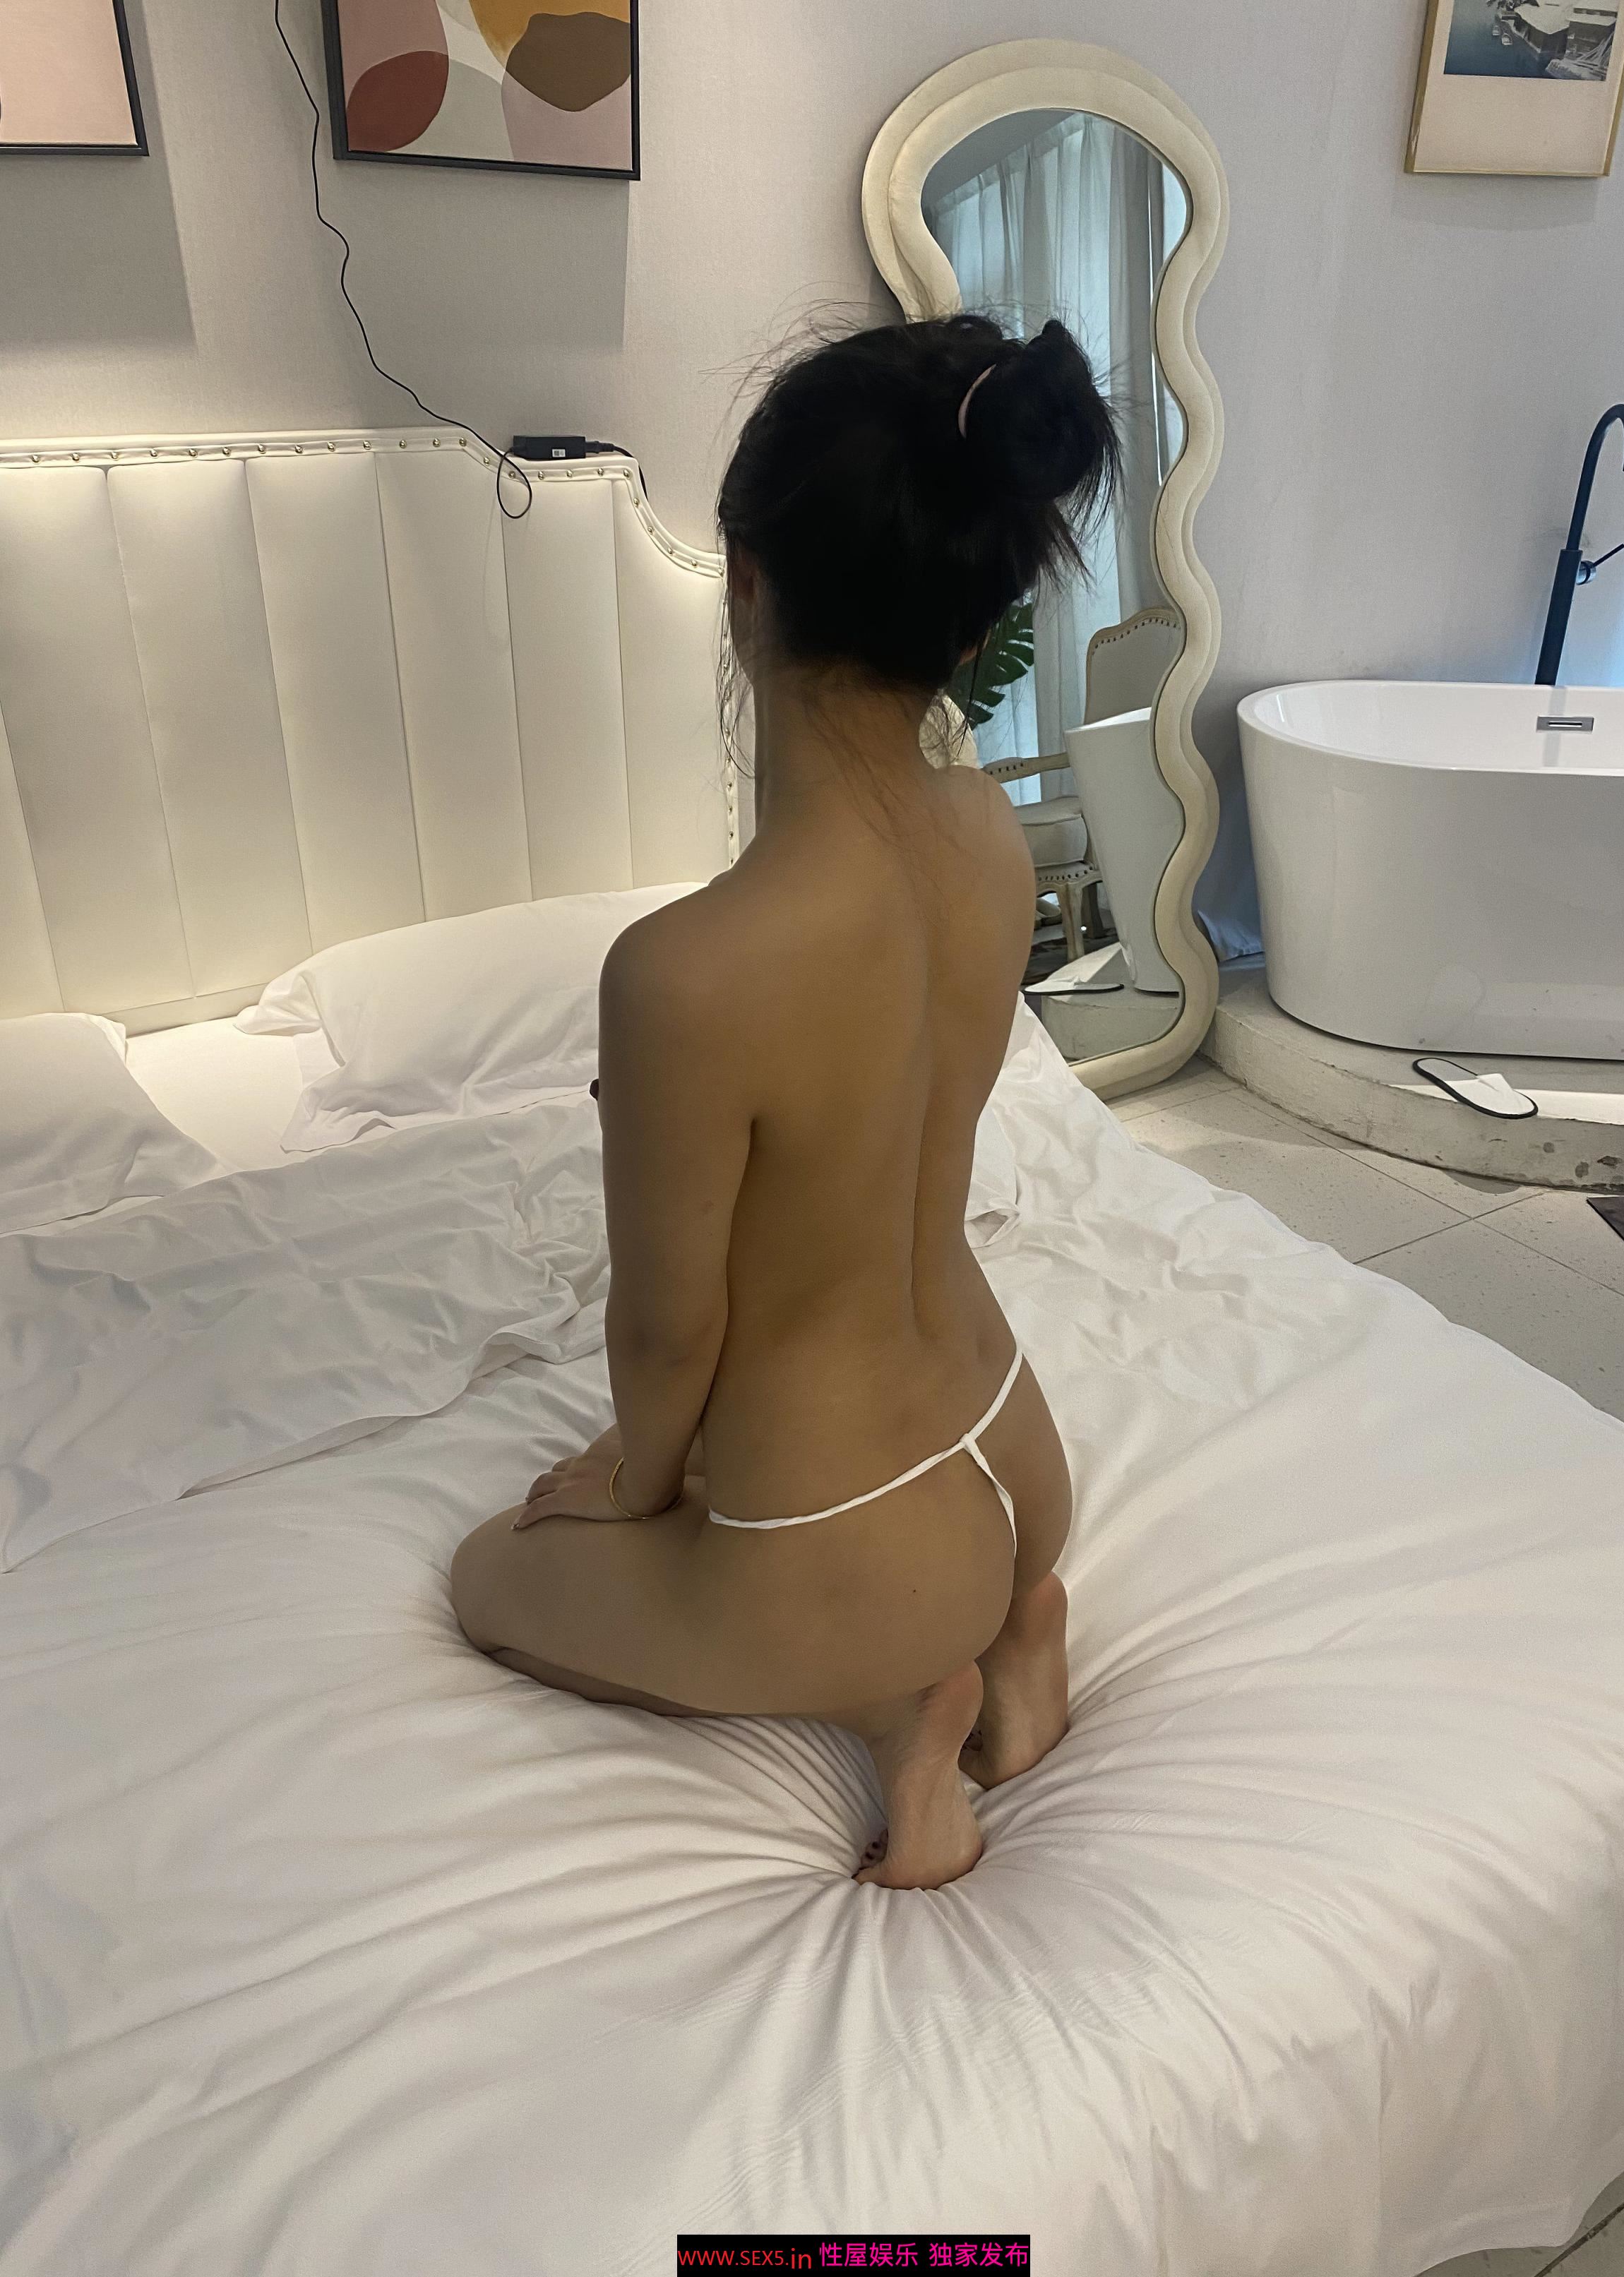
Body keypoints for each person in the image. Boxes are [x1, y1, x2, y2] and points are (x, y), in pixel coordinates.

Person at [451, 313, 1120, 1889]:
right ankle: (1022, 1615)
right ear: (966, 619)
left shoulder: (687, 974)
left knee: (486, 1582)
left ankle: (905, 1699)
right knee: (921, 1503)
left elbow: (665, 1334)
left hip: (853, 1537)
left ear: (744, 582)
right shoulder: (991, 840)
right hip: (1011, 1441)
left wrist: (636, 1483)